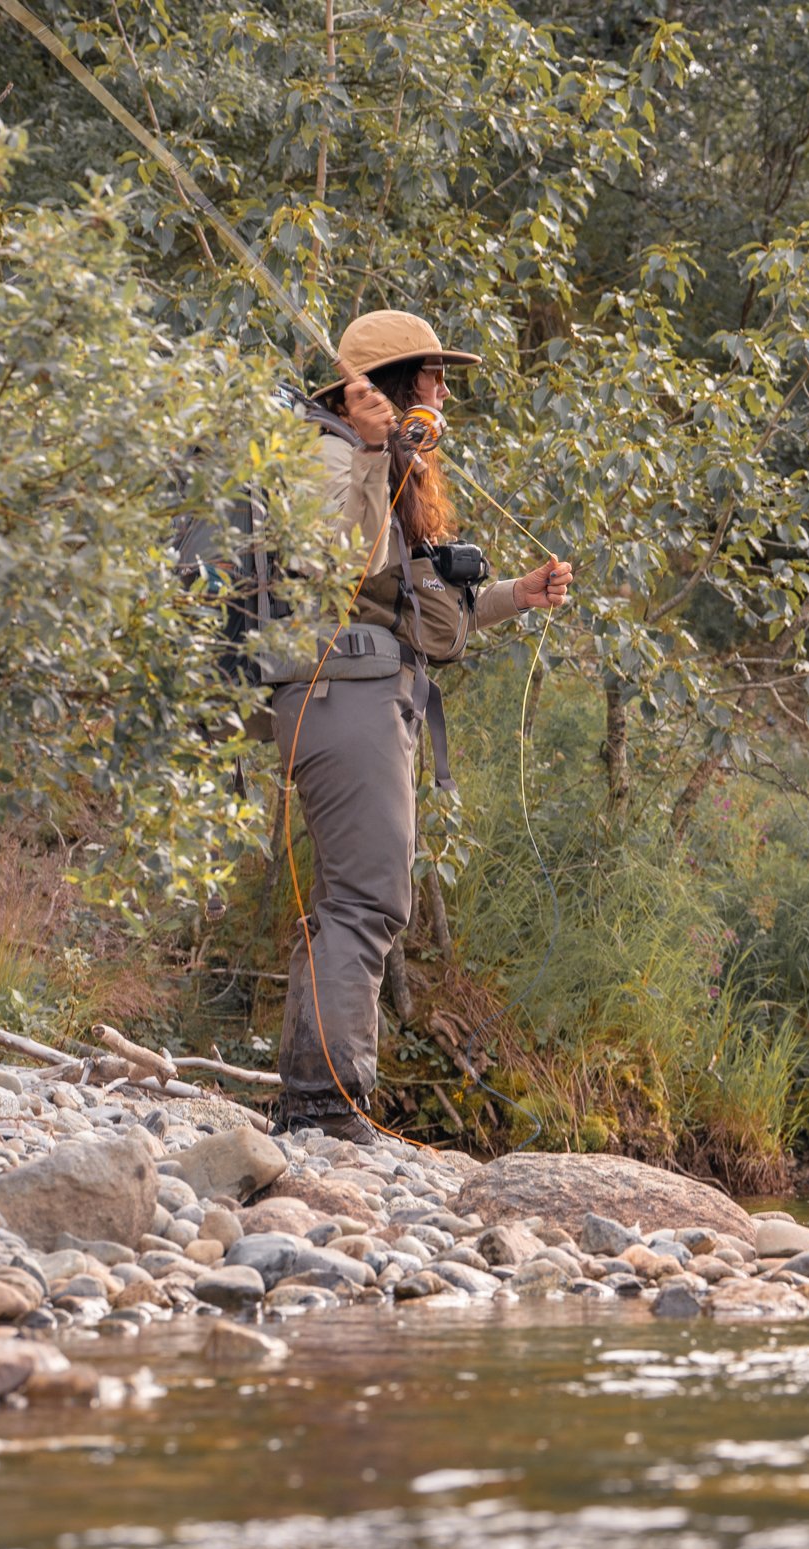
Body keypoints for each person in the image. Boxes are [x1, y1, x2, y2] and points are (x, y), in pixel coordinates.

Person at [265, 308, 572, 1142]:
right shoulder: (325, 451)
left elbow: (420, 611)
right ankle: (330, 1106)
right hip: (342, 691)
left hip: (372, 690)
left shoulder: (394, 465)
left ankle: (307, 1101)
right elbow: (340, 559)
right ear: (390, 386)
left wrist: (516, 593)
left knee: (351, 899)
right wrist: (369, 451)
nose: (444, 389)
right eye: (432, 375)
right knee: (368, 897)